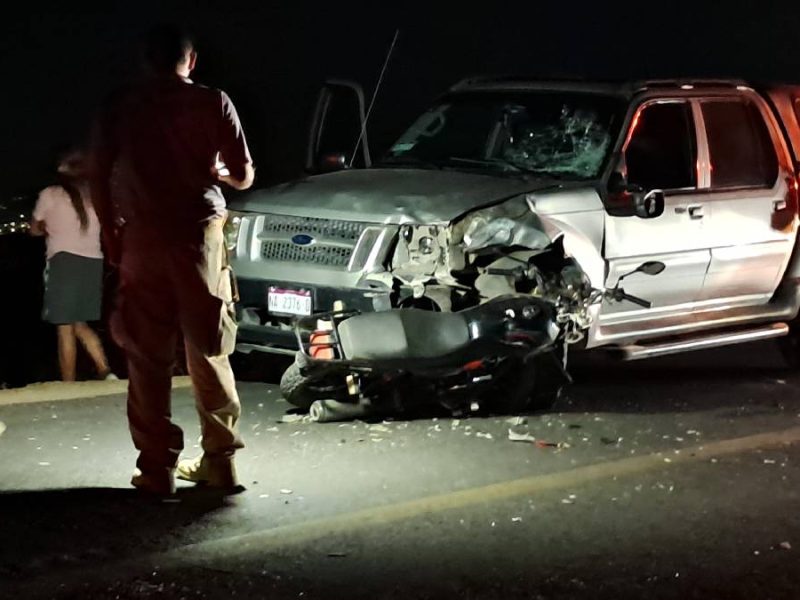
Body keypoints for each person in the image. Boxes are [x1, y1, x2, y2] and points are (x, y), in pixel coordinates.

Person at [90, 24, 255, 496]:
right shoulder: (213, 101)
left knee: (145, 356)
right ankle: (221, 464)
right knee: (209, 348)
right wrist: (219, 171)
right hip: (199, 236)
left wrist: (111, 232)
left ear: (145, 61)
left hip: (142, 237)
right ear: (192, 60)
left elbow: (99, 175)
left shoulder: (121, 104)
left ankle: (156, 469)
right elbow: (242, 175)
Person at [30, 149, 115, 382]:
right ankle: (105, 371)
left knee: (64, 326)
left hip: (64, 263)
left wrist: (46, 228)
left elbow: (34, 229)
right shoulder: (95, 197)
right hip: (92, 263)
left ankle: (68, 385)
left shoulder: (50, 194)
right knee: (78, 322)